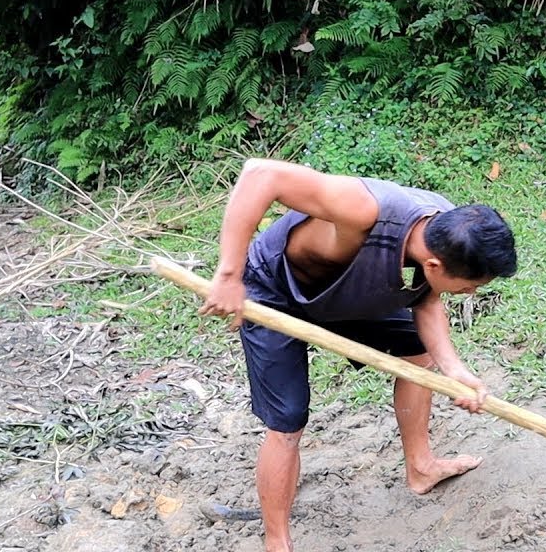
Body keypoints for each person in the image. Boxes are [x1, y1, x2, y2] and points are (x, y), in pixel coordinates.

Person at [200, 158, 518, 552]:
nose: (471, 293)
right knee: (288, 421)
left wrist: (454, 369)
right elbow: (260, 174)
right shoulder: (364, 208)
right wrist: (229, 275)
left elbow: (426, 298)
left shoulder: (445, 231)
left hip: (344, 293)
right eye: (471, 286)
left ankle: (421, 468)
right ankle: (277, 542)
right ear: (434, 264)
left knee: (418, 352)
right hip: (274, 291)